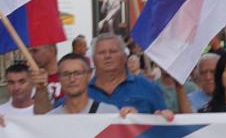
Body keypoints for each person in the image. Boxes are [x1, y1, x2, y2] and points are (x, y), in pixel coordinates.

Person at [34, 33, 169, 115]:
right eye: (101, 53)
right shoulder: (80, 91)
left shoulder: (148, 88)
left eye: (113, 51)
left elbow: (163, 128)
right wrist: (40, 90)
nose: (107, 56)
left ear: (124, 57)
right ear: (93, 59)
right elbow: (47, 120)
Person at [46, 54, 134, 116]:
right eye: (65, 74)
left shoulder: (109, 113)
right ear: (59, 78)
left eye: (78, 73)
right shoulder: (50, 119)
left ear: (88, 77)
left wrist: (133, 119)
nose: (72, 79)